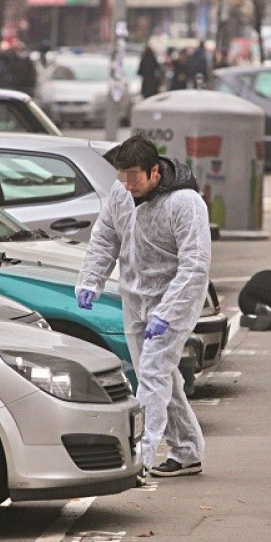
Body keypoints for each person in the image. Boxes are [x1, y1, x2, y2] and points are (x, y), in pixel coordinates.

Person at [75, 135, 211, 478]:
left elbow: (195, 265)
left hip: (174, 299)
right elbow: (105, 236)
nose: (128, 185)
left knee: (152, 373)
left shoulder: (185, 203)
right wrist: (91, 279)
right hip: (134, 297)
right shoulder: (122, 192)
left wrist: (168, 312)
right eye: (123, 176)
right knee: (158, 374)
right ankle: (187, 450)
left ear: (154, 171)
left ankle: (142, 455)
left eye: (134, 177)